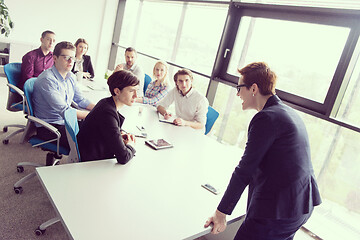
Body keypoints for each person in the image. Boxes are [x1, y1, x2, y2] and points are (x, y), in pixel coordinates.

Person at [204, 62, 322, 240]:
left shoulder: (266, 118)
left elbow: (245, 170)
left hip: (278, 212)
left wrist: (221, 213)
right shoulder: (288, 113)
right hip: (302, 205)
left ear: (253, 88)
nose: (237, 94)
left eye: (239, 88)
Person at [32, 41, 95, 154]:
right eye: (66, 58)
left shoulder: (70, 76)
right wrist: (94, 114)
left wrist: (100, 109)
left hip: (65, 122)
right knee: (89, 143)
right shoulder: (47, 80)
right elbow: (66, 111)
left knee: (100, 130)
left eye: (72, 58)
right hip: (50, 127)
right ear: (55, 58)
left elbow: (81, 100)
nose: (71, 61)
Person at [77, 70, 139, 164]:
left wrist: (119, 135)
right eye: (131, 91)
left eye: (136, 91)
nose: (136, 96)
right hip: (92, 162)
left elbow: (108, 130)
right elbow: (124, 157)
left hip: (93, 151)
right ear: (117, 91)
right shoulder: (108, 112)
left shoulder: (106, 102)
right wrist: (131, 145)